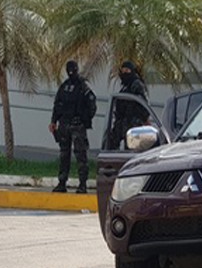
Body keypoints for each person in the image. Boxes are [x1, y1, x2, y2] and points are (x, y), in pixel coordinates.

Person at [48, 60, 97, 194]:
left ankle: (82, 184)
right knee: (64, 155)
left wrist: (84, 120)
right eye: (69, 69)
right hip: (64, 125)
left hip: (77, 126)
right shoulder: (64, 87)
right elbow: (57, 105)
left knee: (81, 155)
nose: (71, 72)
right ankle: (62, 182)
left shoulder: (83, 87)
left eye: (73, 69)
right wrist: (53, 121)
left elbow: (92, 104)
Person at [106, 60, 150, 150]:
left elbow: (143, 105)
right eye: (123, 70)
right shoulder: (125, 87)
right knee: (111, 143)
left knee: (130, 149)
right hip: (122, 122)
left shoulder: (136, 84)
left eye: (127, 70)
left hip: (132, 123)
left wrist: (136, 118)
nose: (125, 73)